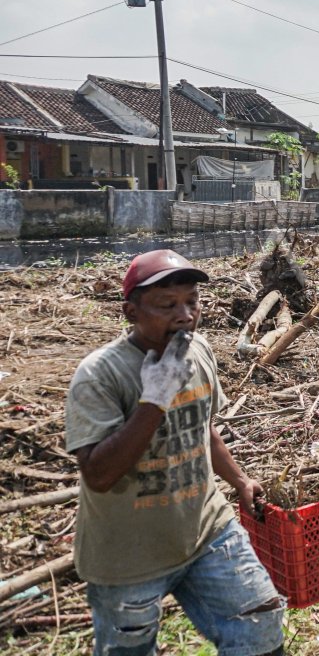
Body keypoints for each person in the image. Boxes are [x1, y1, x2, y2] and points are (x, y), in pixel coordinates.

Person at [66, 249, 285, 656]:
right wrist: (155, 398)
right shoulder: (100, 374)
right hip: (128, 556)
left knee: (261, 626)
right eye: (167, 305)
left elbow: (202, 427)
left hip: (206, 531)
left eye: (191, 301)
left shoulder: (197, 351)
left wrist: (240, 481)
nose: (185, 315)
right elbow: (98, 474)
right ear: (131, 312)